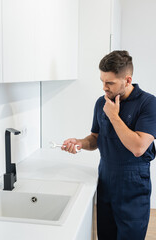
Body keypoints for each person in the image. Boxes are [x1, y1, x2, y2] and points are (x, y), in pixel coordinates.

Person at [61, 50, 156, 240]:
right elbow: (95, 139)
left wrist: (113, 116)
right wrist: (80, 142)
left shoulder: (148, 103)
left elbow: (138, 148)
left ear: (127, 80)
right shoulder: (101, 103)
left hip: (134, 181)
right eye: (102, 81)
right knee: (105, 235)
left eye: (110, 83)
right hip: (105, 177)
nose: (104, 87)